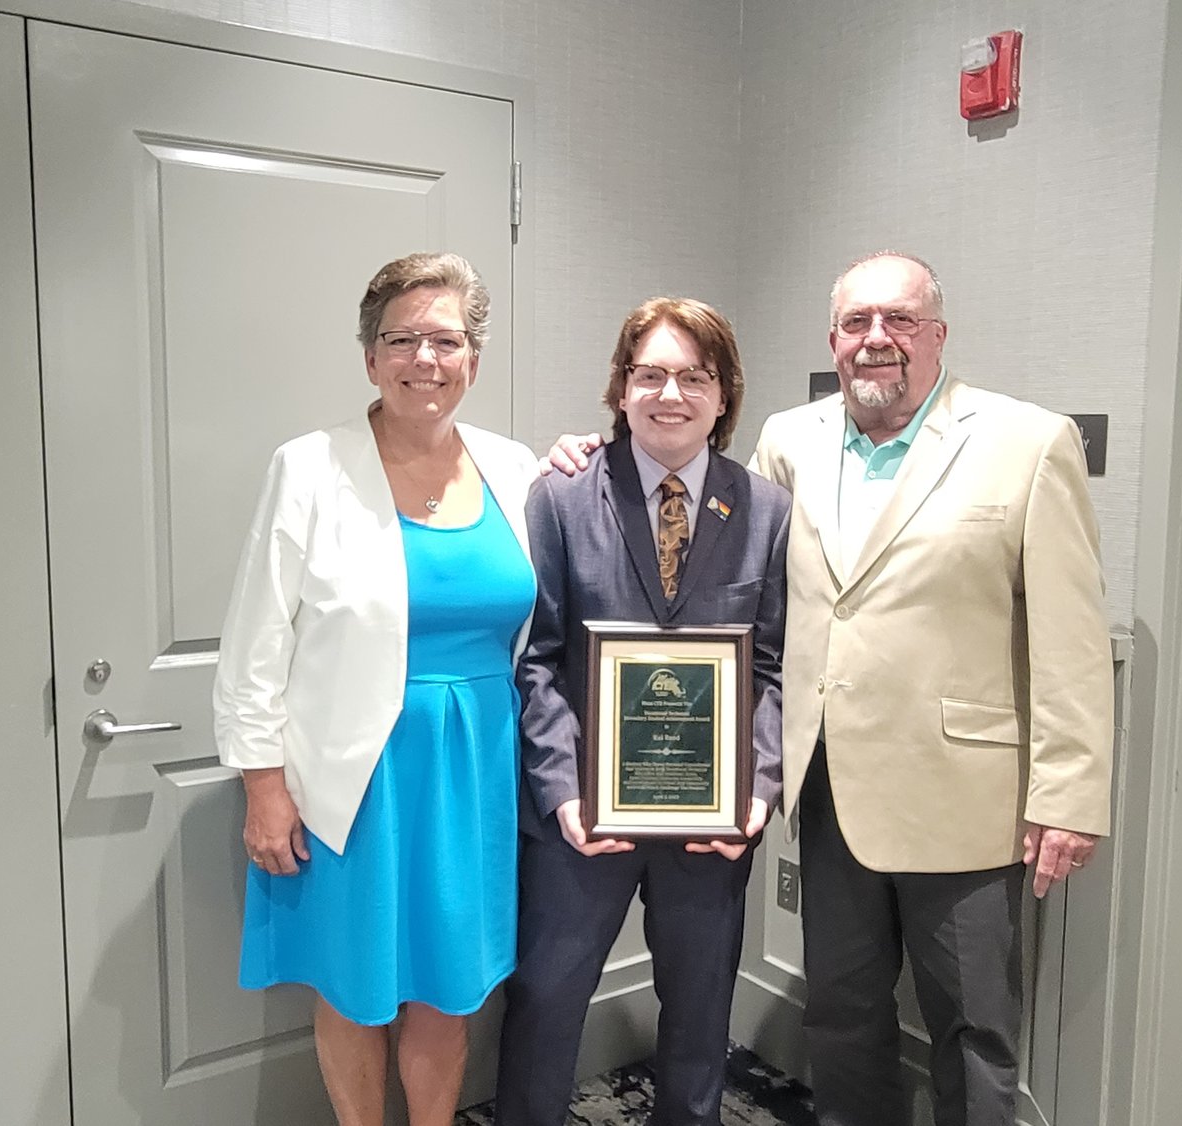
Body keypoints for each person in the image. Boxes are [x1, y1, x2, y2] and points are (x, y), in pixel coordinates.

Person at [546, 252, 1114, 1126]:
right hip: (832, 794)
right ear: (834, 339)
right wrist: (598, 454)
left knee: (975, 1031)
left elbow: (1071, 634)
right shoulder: (791, 440)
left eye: (899, 321)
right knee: (841, 1016)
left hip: (965, 801)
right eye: (856, 324)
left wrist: (1069, 794)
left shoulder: (1028, 442)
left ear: (937, 334)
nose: (876, 341)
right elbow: (725, 562)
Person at [214, 251, 542, 1126]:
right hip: (348, 777)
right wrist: (262, 785)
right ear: (370, 358)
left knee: (449, 986)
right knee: (355, 984)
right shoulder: (310, 468)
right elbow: (255, 641)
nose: (423, 360)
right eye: (402, 339)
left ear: (473, 358)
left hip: (476, 774)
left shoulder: (521, 471)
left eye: (445, 340)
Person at [495, 298, 792, 1126]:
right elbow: (539, 659)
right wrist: (561, 793)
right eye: (650, 373)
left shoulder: (766, 511)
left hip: (712, 818)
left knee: (700, 1015)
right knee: (546, 1002)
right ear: (621, 388)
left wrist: (757, 792)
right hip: (585, 815)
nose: (671, 393)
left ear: (724, 393)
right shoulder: (559, 496)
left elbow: (773, 666)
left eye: (694, 376)